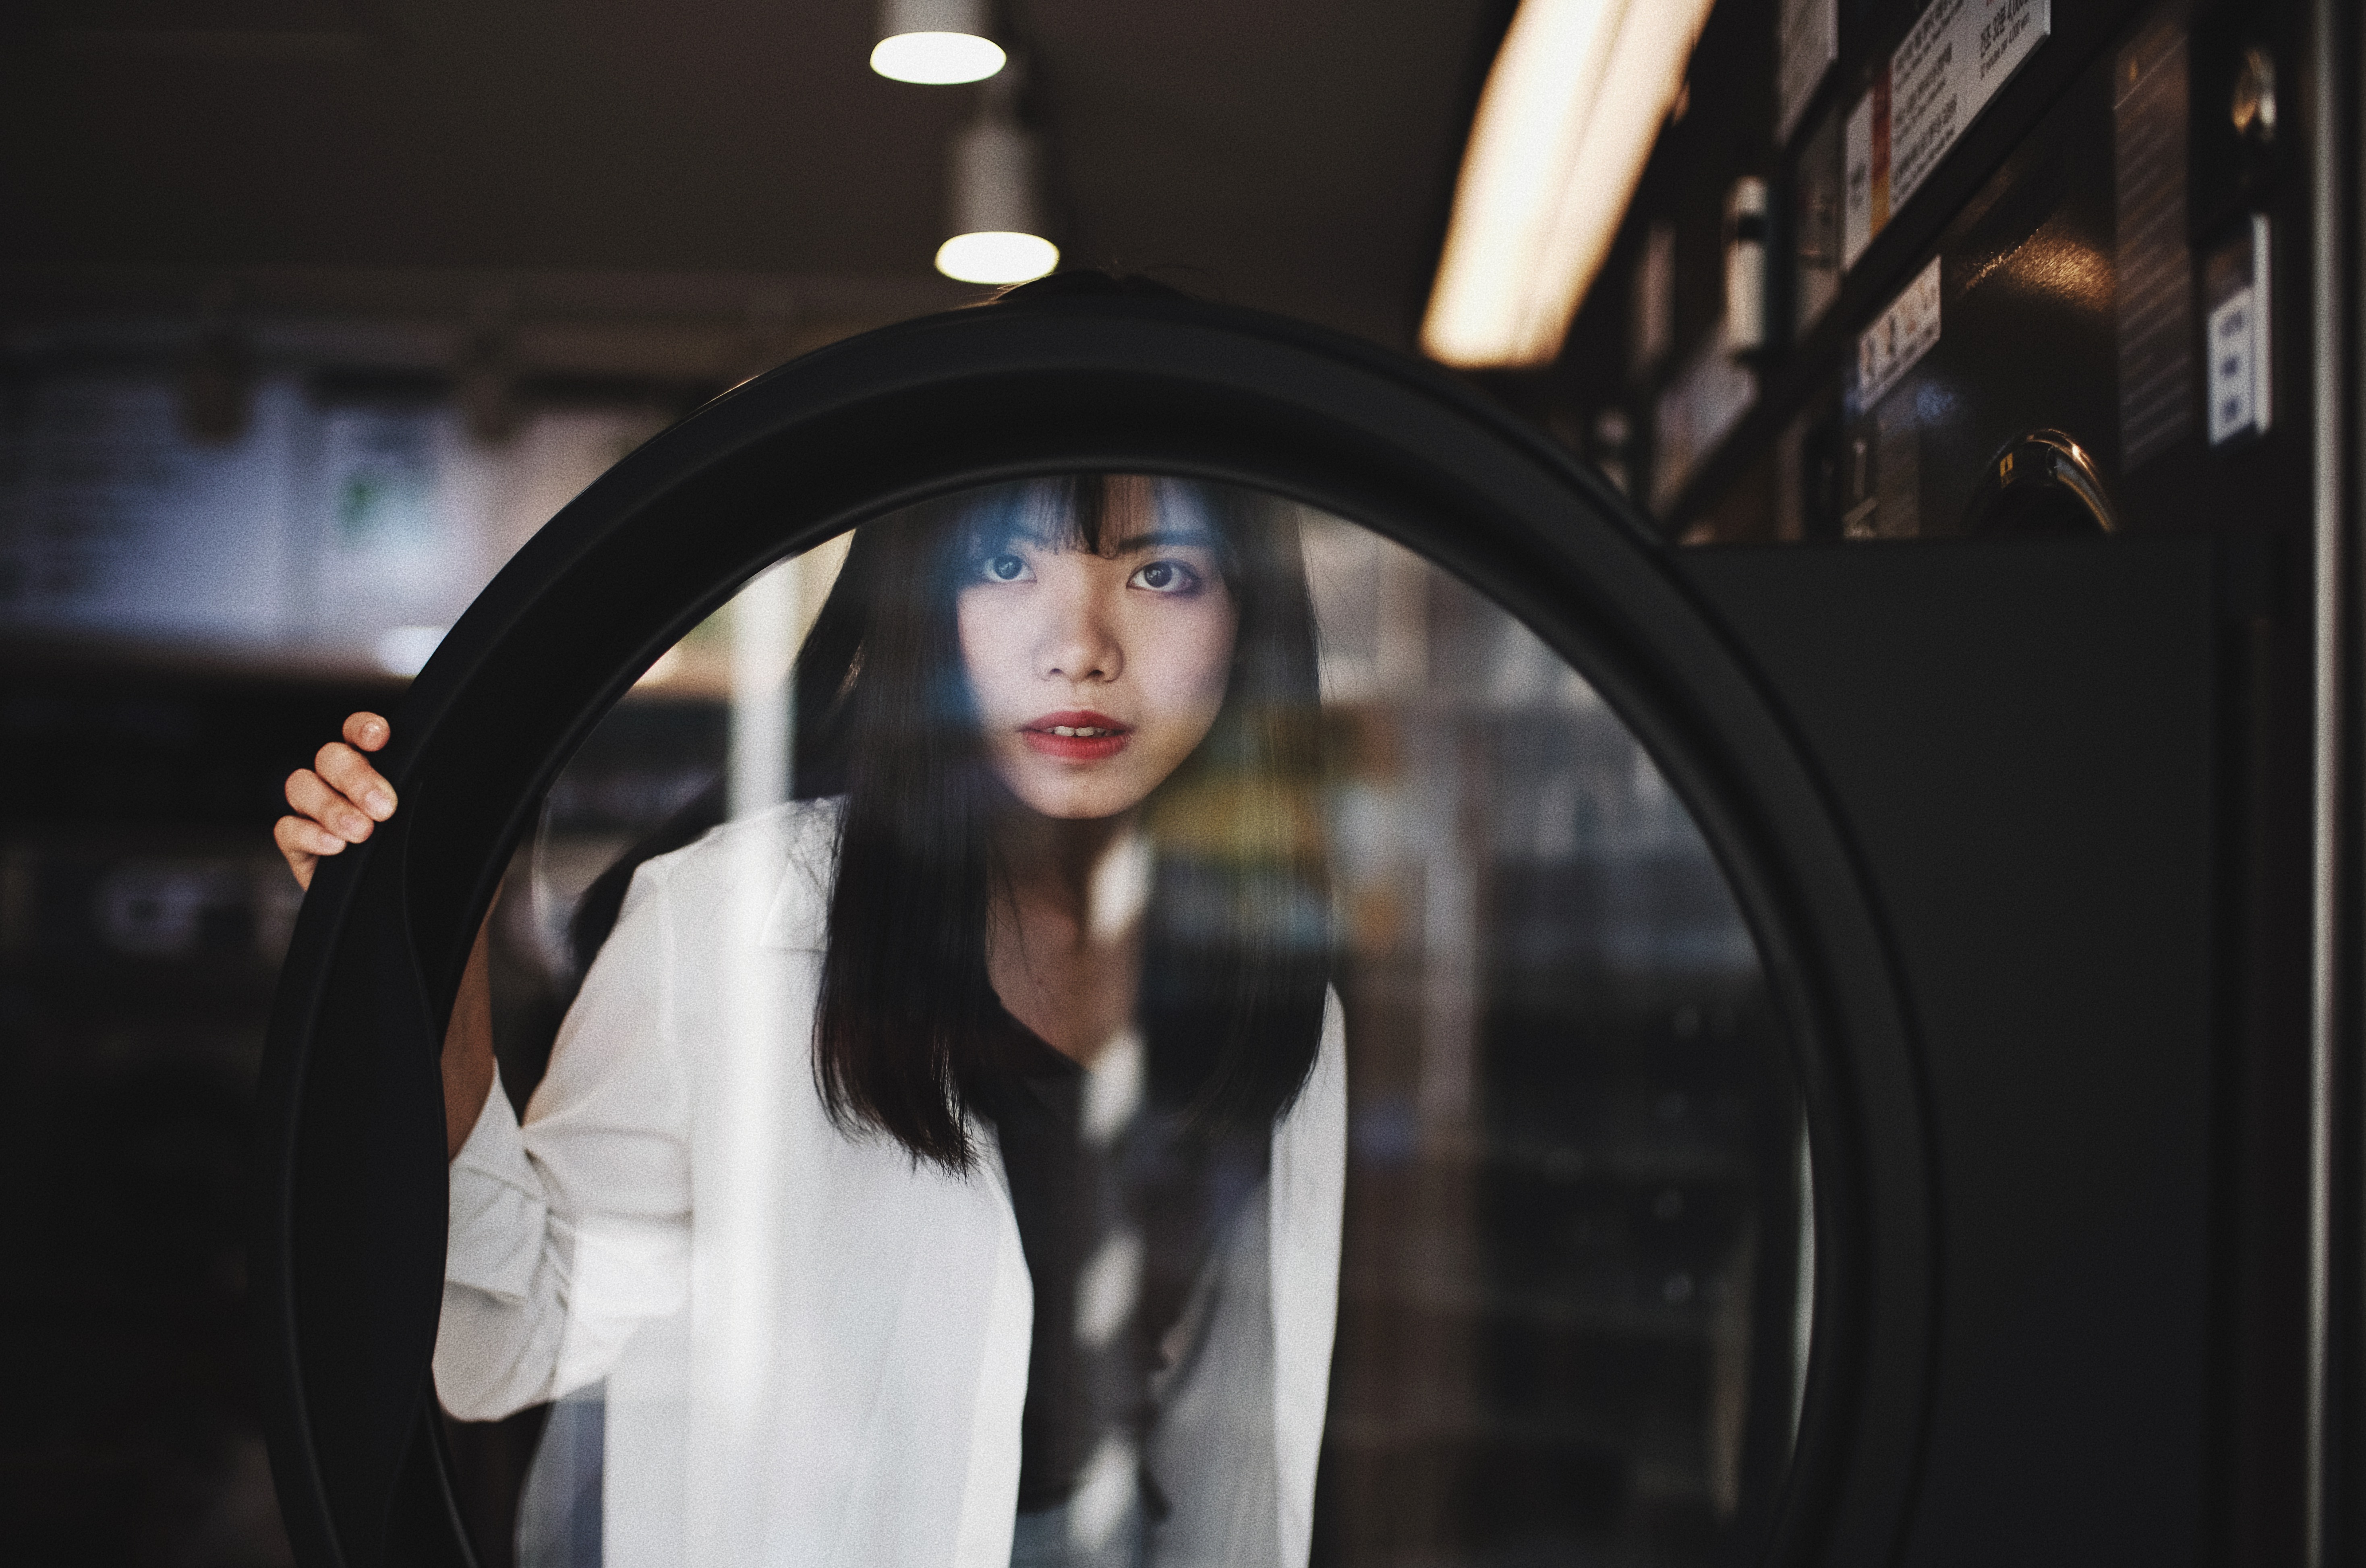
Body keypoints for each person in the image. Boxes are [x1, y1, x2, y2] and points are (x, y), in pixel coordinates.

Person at [277, 470, 1346, 1568]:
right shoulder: (735, 917)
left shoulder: (1266, 963)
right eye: (1004, 566)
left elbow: (1234, 1398)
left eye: (1162, 573)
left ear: (1251, 617)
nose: (1080, 647)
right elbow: (510, 1339)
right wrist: (422, 935)